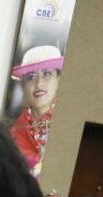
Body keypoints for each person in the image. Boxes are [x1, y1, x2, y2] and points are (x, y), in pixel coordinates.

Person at [9, 45, 64, 178]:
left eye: (47, 74)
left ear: (59, 79)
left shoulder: (69, 123)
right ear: (23, 86)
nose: (39, 84)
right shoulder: (13, 136)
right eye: (31, 77)